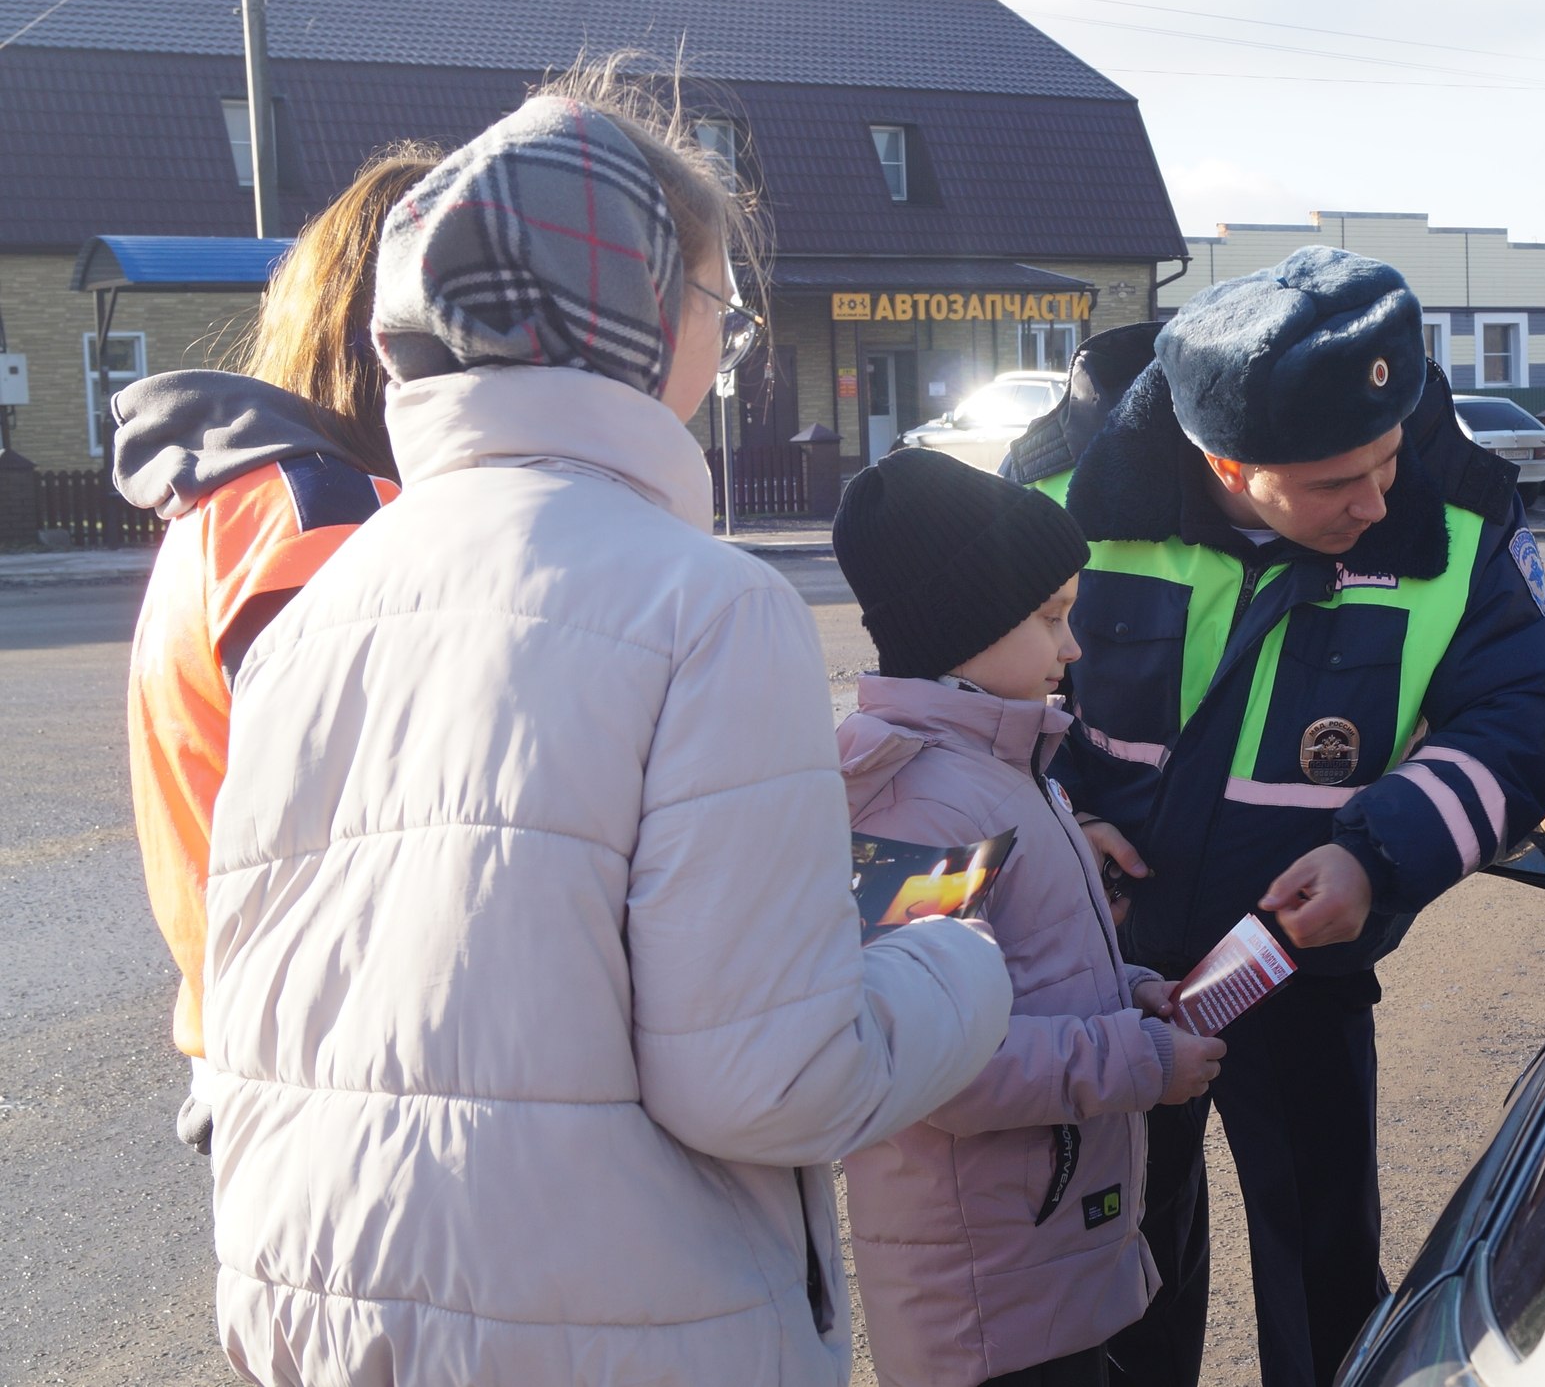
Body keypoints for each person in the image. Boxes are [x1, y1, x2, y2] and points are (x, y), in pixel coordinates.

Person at [198, 74, 1013, 1385]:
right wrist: (962, 966)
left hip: (323, 1311)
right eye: (722, 311)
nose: (725, 348)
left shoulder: (320, 605)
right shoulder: (707, 606)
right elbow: (773, 1079)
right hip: (613, 1328)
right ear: (643, 317)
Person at [1006, 245, 1545, 1387]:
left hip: (1300, 967)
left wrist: (1376, 859)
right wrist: (1055, 821)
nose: (1377, 502)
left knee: (1326, 1281)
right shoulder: (1053, 499)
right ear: (1224, 463)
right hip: (1093, 973)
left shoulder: (1460, 513)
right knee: (1120, 1275)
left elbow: (1527, 711)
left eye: (1389, 458)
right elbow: (963, 708)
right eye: (1335, 484)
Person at [828, 448, 1230, 1387]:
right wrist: (1138, 1061)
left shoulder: (999, 768)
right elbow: (931, 1060)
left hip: (1032, 1257)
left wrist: (1132, 991)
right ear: (960, 626)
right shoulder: (924, 805)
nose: (1073, 647)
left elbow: (1028, 974)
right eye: (1051, 616)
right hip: (985, 1295)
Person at [112, 142, 439, 1157]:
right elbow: (379, 831)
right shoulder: (325, 514)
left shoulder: (249, 499)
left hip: (267, 1034)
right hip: (332, 1064)